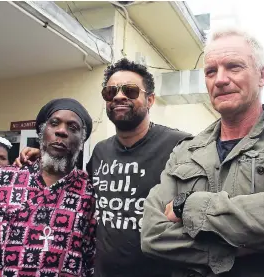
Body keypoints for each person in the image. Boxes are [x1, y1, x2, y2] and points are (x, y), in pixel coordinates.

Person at [141, 27, 264, 277]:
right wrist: (245, 243)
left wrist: (187, 206)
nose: (220, 79)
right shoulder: (185, 151)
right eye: (211, 71)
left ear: (262, 75)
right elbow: (152, 235)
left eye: (234, 67)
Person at [15, 59, 193, 277]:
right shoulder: (101, 151)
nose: (119, 96)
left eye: (130, 90)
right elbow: (75, 187)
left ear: (150, 100)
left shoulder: (180, 145)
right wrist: (45, 155)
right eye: (111, 92)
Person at [0, 98, 96, 276]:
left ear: (81, 142)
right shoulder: (2, 181)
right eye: (54, 123)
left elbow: (91, 257)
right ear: (42, 132)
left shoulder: (88, 192)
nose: (61, 131)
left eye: (72, 128)